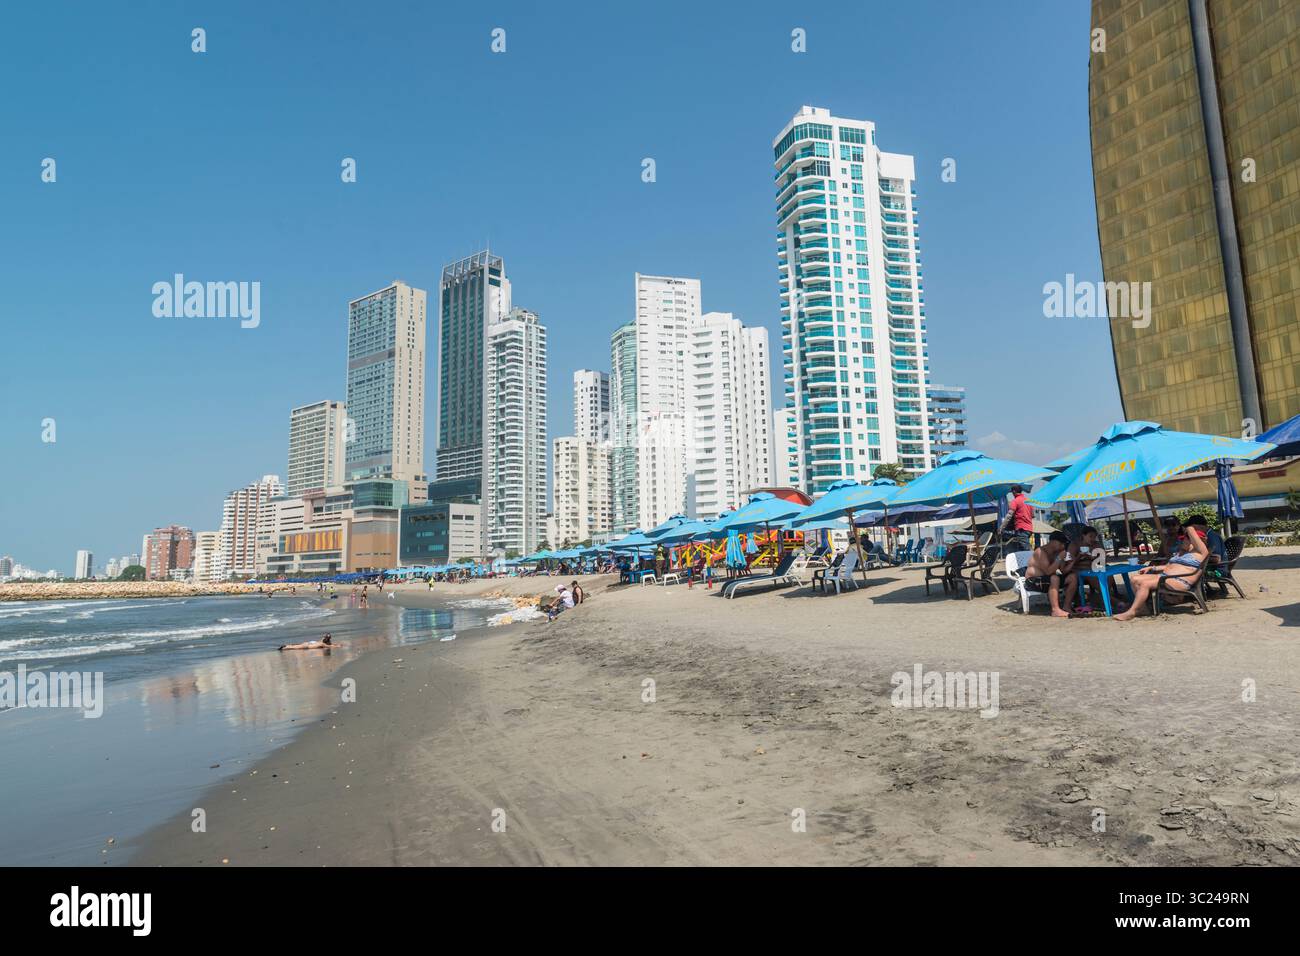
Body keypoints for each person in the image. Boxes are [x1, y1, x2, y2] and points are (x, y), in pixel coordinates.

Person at [1114, 522, 1209, 621]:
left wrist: (1188, 528)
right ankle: (1143, 609)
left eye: (1184, 539)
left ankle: (1132, 611)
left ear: (1193, 541)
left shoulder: (1201, 553)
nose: (1182, 542)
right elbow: (1168, 566)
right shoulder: (1182, 553)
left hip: (1180, 581)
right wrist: (1152, 568)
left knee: (1145, 584)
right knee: (1134, 579)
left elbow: (1191, 531)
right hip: (1166, 577)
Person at [1024, 531, 1073, 618]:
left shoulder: (1058, 552)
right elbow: (1048, 572)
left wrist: (1074, 560)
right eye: (1062, 543)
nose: (1063, 546)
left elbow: (1063, 571)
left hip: (1049, 580)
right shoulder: (1040, 551)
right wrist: (1059, 558)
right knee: (1054, 578)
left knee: (1073, 577)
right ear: (1053, 541)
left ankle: (1067, 606)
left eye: (1064, 544)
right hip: (1032, 581)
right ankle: (1055, 610)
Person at [1002, 484, 1034, 550]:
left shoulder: (1015, 501)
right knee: (1022, 549)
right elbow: (1032, 515)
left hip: (1021, 528)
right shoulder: (1028, 501)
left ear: (1014, 491)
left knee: (1025, 551)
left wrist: (1002, 527)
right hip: (1029, 529)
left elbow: (1009, 516)